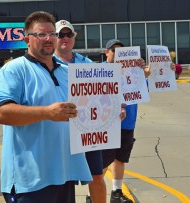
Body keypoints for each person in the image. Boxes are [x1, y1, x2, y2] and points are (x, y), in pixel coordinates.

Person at [0, 11, 92, 203]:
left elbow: (87, 108)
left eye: (53, 34)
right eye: (41, 34)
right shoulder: (14, 69)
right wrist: (46, 113)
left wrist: (110, 115)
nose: (49, 38)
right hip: (30, 181)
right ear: (27, 39)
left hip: (64, 173)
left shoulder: (67, 73)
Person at [53, 20, 107, 203]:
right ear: (54, 37)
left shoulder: (88, 63)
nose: (65, 38)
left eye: (69, 34)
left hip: (87, 129)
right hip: (62, 130)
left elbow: (104, 93)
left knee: (97, 176)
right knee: (62, 181)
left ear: (74, 37)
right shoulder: (47, 64)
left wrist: (117, 110)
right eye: (61, 34)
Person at [102, 39, 149, 203]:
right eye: (114, 50)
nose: (117, 54)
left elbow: (145, 88)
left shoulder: (132, 71)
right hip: (105, 124)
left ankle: (116, 192)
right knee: (102, 163)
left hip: (127, 123)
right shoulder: (99, 71)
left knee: (120, 159)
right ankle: (93, 194)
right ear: (106, 52)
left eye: (121, 51)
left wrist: (144, 71)